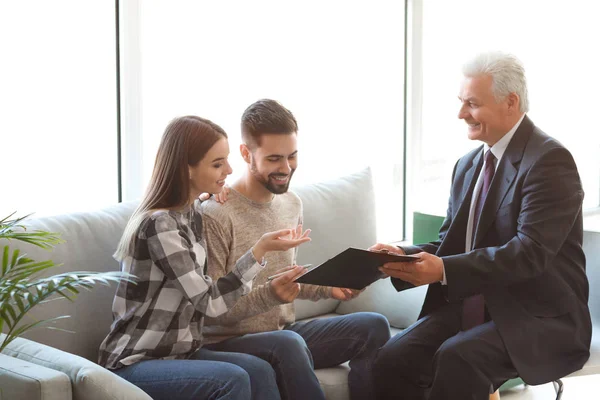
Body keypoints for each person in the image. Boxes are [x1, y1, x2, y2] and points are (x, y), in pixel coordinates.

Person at [370, 52, 592, 399]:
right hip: (481, 304)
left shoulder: (549, 161)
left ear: (510, 102)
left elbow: (528, 254)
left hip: (539, 315)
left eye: (472, 104)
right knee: (392, 359)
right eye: (461, 102)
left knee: (459, 358)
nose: (461, 114)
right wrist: (403, 256)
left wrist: (443, 269)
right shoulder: (468, 165)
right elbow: (450, 245)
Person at [98, 115, 311, 400]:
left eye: (226, 160)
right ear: (186, 168)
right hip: (135, 362)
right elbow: (209, 304)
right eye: (217, 163)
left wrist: (210, 195)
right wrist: (258, 251)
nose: (230, 169)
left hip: (182, 355)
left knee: (259, 370)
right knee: (231, 379)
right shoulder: (160, 225)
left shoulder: (192, 215)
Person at [200, 99, 391, 400]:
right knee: (287, 344)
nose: (286, 168)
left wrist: (330, 288)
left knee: (373, 326)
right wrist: (272, 295)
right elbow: (210, 313)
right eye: (275, 158)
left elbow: (288, 280)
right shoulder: (216, 214)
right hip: (227, 343)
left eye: (292, 156)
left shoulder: (291, 203)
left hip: (284, 334)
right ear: (246, 153)